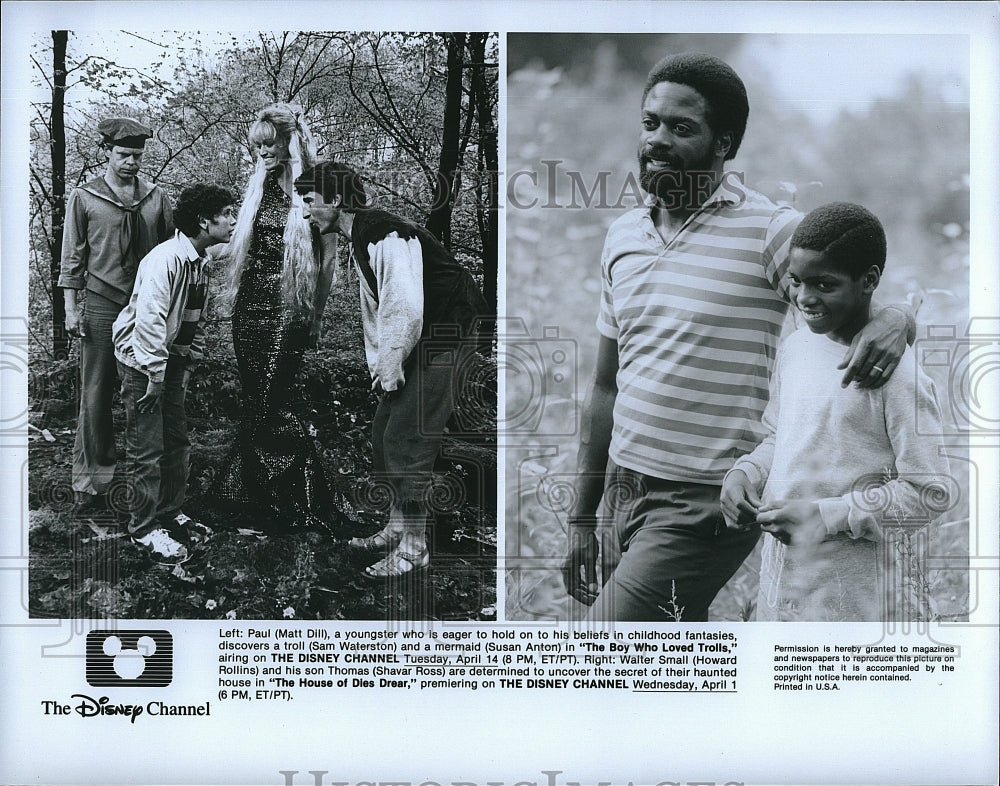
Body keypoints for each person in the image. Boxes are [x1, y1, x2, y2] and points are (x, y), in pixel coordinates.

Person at [560, 52, 917, 622]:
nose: (658, 140)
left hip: (704, 498)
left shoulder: (768, 231)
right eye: (650, 122)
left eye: (682, 128)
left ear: (724, 143)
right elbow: (606, 387)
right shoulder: (622, 236)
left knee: (604, 648)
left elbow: (856, 286)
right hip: (624, 489)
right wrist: (583, 515)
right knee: (664, 663)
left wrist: (899, 317)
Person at [721, 203, 951, 620]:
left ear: (869, 281)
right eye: (796, 281)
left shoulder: (897, 376)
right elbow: (781, 436)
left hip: (865, 602)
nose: (805, 298)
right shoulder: (796, 348)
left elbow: (929, 494)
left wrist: (826, 516)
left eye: (824, 284)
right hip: (787, 592)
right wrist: (747, 472)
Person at [293, 161, 489, 579]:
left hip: (447, 335)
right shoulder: (361, 235)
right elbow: (375, 311)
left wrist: (393, 361)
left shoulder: (384, 231)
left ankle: (416, 546)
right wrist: (382, 365)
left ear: (337, 200)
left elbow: (403, 304)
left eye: (310, 201)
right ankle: (397, 526)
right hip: (422, 338)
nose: (306, 211)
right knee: (384, 431)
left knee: (407, 437)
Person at [215, 104, 338, 534]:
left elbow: (326, 261)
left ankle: (296, 498)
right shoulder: (259, 184)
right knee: (255, 399)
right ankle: (253, 495)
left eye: (270, 144)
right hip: (249, 305)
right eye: (258, 146)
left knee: (276, 399)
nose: (262, 152)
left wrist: (316, 317)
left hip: (289, 306)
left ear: (291, 141)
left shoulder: (314, 184)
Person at [112, 184, 238, 560]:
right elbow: (148, 322)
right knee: (146, 448)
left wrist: (184, 367)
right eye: (227, 214)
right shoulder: (165, 259)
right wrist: (153, 375)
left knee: (177, 442)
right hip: (141, 361)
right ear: (203, 221)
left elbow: (193, 320)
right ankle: (143, 528)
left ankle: (170, 511)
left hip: (168, 361)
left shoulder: (200, 261)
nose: (233, 221)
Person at [58, 118, 174, 515]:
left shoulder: (155, 198)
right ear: (106, 152)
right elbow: (72, 258)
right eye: (123, 155)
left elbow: (169, 254)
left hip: (145, 305)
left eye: (137, 156)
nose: (130, 163)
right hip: (102, 301)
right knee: (95, 391)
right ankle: (92, 480)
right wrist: (72, 310)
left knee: (144, 388)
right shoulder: (85, 197)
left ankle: (147, 482)